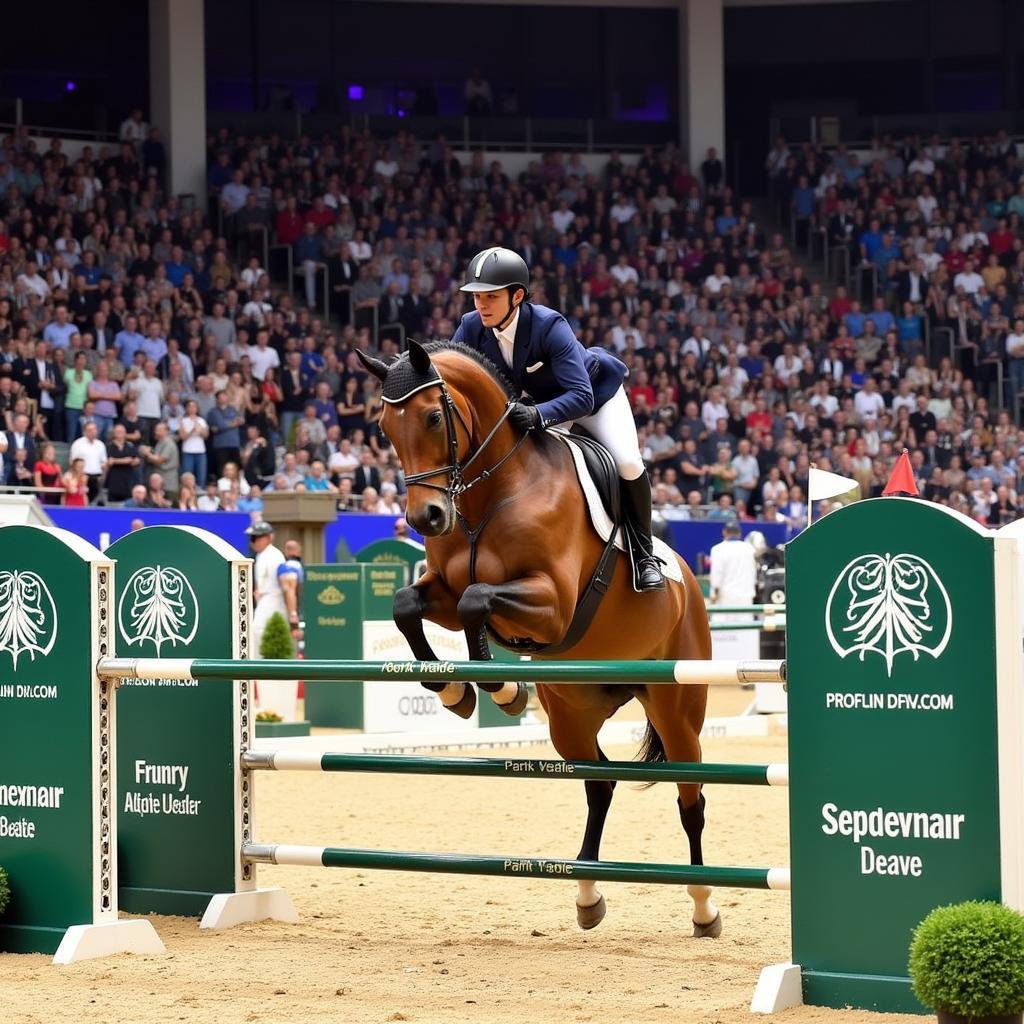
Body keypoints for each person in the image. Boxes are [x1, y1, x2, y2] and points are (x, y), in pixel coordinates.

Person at [453, 247, 663, 591]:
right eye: (476, 296)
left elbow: (582, 396)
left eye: (490, 296)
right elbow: (452, 374)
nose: (481, 305)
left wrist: (536, 415)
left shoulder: (549, 325)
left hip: (595, 399)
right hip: (540, 405)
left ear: (516, 295)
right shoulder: (471, 327)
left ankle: (644, 555)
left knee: (627, 462)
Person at [246, 521, 293, 658]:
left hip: (273, 600)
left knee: (257, 631)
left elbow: (286, 585)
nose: (252, 541)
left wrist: (292, 612)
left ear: (268, 537)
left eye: (255, 537)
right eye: (251, 538)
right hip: (263, 600)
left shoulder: (275, 556)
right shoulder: (261, 555)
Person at [708, 521, 757, 607]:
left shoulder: (717, 549)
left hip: (725, 598)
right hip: (745, 597)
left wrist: (713, 595)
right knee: (746, 620)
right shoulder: (749, 549)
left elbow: (717, 575)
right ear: (739, 534)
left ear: (724, 532)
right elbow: (754, 572)